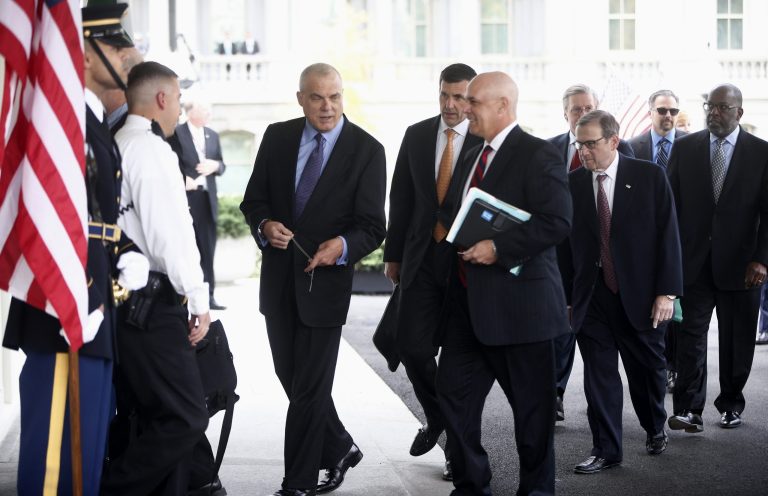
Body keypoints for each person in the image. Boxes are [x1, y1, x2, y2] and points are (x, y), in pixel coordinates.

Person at [1, 4, 149, 494]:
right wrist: (80, 291)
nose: (129, 55)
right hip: (66, 299)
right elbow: (50, 214)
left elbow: (91, 214)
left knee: (83, 453)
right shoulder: (64, 121)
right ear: (83, 53)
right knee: (56, 461)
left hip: (92, 297)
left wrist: (125, 249)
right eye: (115, 45)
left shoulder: (91, 123)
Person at [240, 63, 386, 496]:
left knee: (309, 389)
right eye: (318, 97)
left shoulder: (367, 150)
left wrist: (340, 246)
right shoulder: (277, 136)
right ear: (300, 98)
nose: (327, 106)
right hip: (278, 284)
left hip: (325, 288)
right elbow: (254, 200)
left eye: (335, 97)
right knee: (291, 376)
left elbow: (373, 226)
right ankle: (339, 446)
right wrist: (264, 224)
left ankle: (297, 483)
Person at [435, 71, 572, 496]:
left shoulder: (539, 154)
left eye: (473, 102)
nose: (462, 108)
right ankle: (472, 484)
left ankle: (536, 491)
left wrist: (499, 247)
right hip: (466, 308)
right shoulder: (472, 151)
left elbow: (558, 222)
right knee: (452, 400)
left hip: (521, 311)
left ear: (502, 106)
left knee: (532, 417)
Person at [101, 61, 214, 495]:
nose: (180, 112)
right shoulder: (150, 149)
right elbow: (171, 236)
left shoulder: (118, 141)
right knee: (186, 416)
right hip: (151, 303)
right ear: (163, 99)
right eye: (179, 102)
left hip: (125, 301)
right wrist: (198, 299)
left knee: (147, 413)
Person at [562, 110, 683, 474]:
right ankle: (606, 449)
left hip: (642, 295)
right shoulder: (572, 184)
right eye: (579, 144)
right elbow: (565, 249)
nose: (584, 151)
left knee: (646, 371)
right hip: (593, 297)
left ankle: (653, 425)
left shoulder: (648, 176)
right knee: (599, 376)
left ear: (613, 141)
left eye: (591, 144)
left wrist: (667, 292)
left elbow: (669, 236)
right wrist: (568, 298)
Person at [382, 63, 481, 480]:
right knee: (412, 346)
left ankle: (458, 454)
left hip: (466, 264)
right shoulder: (417, 133)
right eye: (445, 95)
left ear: (472, 98)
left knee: (460, 371)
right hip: (421, 259)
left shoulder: (486, 138)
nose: (451, 104)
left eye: (459, 97)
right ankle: (438, 416)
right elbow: (401, 197)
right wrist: (394, 255)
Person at [667, 83, 768, 432]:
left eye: (723, 107)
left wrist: (762, 259)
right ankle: (688, 409)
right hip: (693, 265)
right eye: (710, 106)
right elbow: (671, 209)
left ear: (739, 112)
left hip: (743, 267)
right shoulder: (685, 148)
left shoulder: (761, 152)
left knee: (736, 339)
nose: (714, 112)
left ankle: (731, 404)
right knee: (689, 337)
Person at [548, 83, 634, 422]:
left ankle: (641, 416)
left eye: (588, 108)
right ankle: (555, 393)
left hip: (612, 268)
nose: (582, 114)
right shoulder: (548, 150)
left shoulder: (624, 152)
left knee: (620, 353)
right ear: (565, 113)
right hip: (566, 260)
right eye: (575, 109)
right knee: (562, 334)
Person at [628, 89, 688, 393]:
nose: (668, 116)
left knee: (677, 315)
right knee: (651, 312)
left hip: (682, 244)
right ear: (650, 112)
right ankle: (656, 368)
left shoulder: (690, 145)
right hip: (642, 245)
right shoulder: (632, 146)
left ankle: (673, 368)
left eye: (673, 112)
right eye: (662, 110)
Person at [169, 101, 228, 310]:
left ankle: (209, 297)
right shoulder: (176, 132)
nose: (209, 113)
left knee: (208, 250)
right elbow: (170, 162)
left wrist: (216, 166)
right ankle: (186, 297)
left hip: (207, 200)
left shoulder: (213, 134)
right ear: (191, 110)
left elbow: (222, 165)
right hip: (186, 198)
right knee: (186, 249)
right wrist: (183, 179)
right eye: (205, 109)